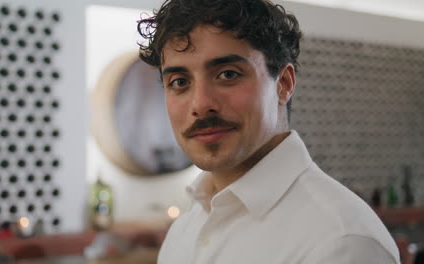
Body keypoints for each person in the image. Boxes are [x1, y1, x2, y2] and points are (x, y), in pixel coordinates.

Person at [137, 0, 400, 263]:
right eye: (180, 82)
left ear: (283, 84)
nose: (201, 104)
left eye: (228, 74)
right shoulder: (183, 231)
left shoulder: (341, 242)